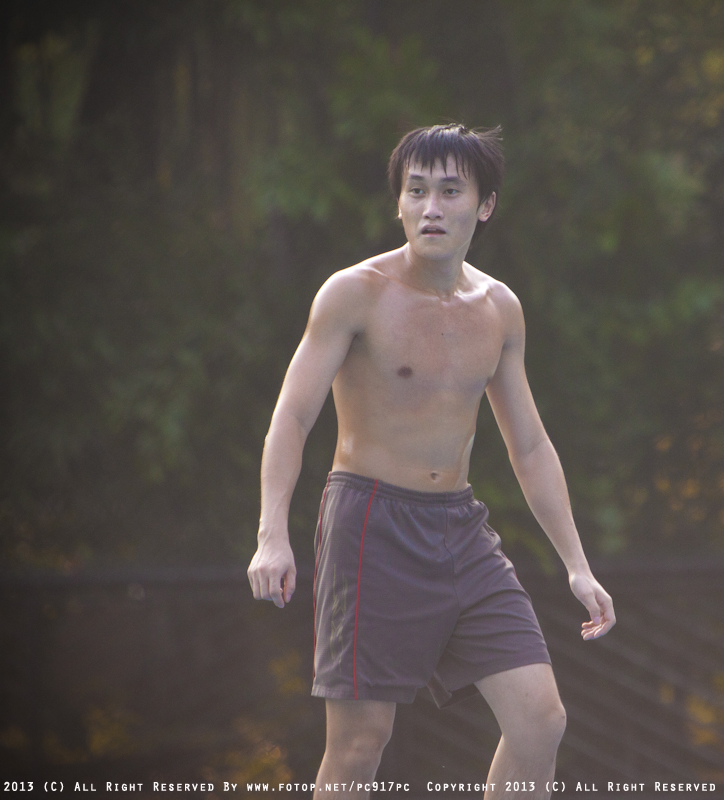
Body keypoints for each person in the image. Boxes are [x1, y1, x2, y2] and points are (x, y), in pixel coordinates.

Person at [247, 123, 615, 800]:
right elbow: (292, 417)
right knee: (360, 744)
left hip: (460, 529)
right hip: (370, 524)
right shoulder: (353, 293)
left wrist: (577, 564)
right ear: (399, 203)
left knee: (540, 720)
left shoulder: (499, 309)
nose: (431, 208)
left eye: (450, 191)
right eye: (416, 191)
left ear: (485, 205)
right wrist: (272, 534)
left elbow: (530, 446)